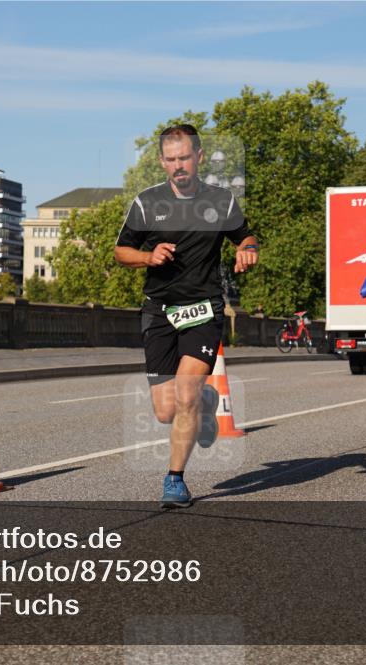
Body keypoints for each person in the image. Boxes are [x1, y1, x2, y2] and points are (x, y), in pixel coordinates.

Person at [114, 124, 259, 508]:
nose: (178, 165)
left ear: (198, 157)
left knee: (186, 393)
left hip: (203, 309)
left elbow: (245, 236)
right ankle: (205, 402)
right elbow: (121, 251)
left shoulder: (221, 201)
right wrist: (148, 256)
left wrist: (248, 249)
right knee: (165, 411)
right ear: (162, 162)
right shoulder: (147, 202)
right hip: (158, 311)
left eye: (184, 157)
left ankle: (175, 479)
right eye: (170, 159)